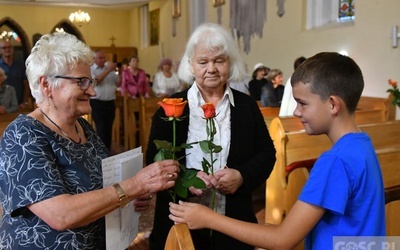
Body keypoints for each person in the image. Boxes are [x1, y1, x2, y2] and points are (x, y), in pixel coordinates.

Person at [169, 52, 386, 249]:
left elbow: (283, 240)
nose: (296, 111)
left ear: (332, 104)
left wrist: (209, 219)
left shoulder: (335, 161)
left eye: (302, 103)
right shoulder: (362, 144)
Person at [0, 32, 180, 250]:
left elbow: (101, 191)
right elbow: (61, 214)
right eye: (82, 82)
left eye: (91, 81)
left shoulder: (83, 126)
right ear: (46, 85)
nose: (93, 91)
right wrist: (135, 184)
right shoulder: (23, 134)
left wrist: (127, 199)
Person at [146, 23, 276, 250]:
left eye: (219, 60)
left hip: (234, 223)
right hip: (180, 223)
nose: (211, 69)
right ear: (191, 65)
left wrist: (242, 175)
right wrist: (186, 179)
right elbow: (154, 159)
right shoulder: (171, 106)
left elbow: (266, 154)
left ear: (230, 63)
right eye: (203, 62)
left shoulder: (246, 106)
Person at [90, 50, 121, 151]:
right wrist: (108, 70)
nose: (103, 60)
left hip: (110, 102)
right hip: (97, 102)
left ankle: (107, 151)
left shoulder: (110, 70)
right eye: (100, 58)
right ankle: (100, 152)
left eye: (104, 58)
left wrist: (120, 72)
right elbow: (95, 82)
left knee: (108, 128)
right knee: (101, 128)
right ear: (94, 59)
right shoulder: (91, 69)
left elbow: (118, 84)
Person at [0, 40, 30, 109]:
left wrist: (24, 101)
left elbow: (26, 84)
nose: (7, 49)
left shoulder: (21, 65)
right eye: (4, 48)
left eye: (9, 47)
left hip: (19, 104)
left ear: (13, 49)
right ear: (0, 51)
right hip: (2, 105)